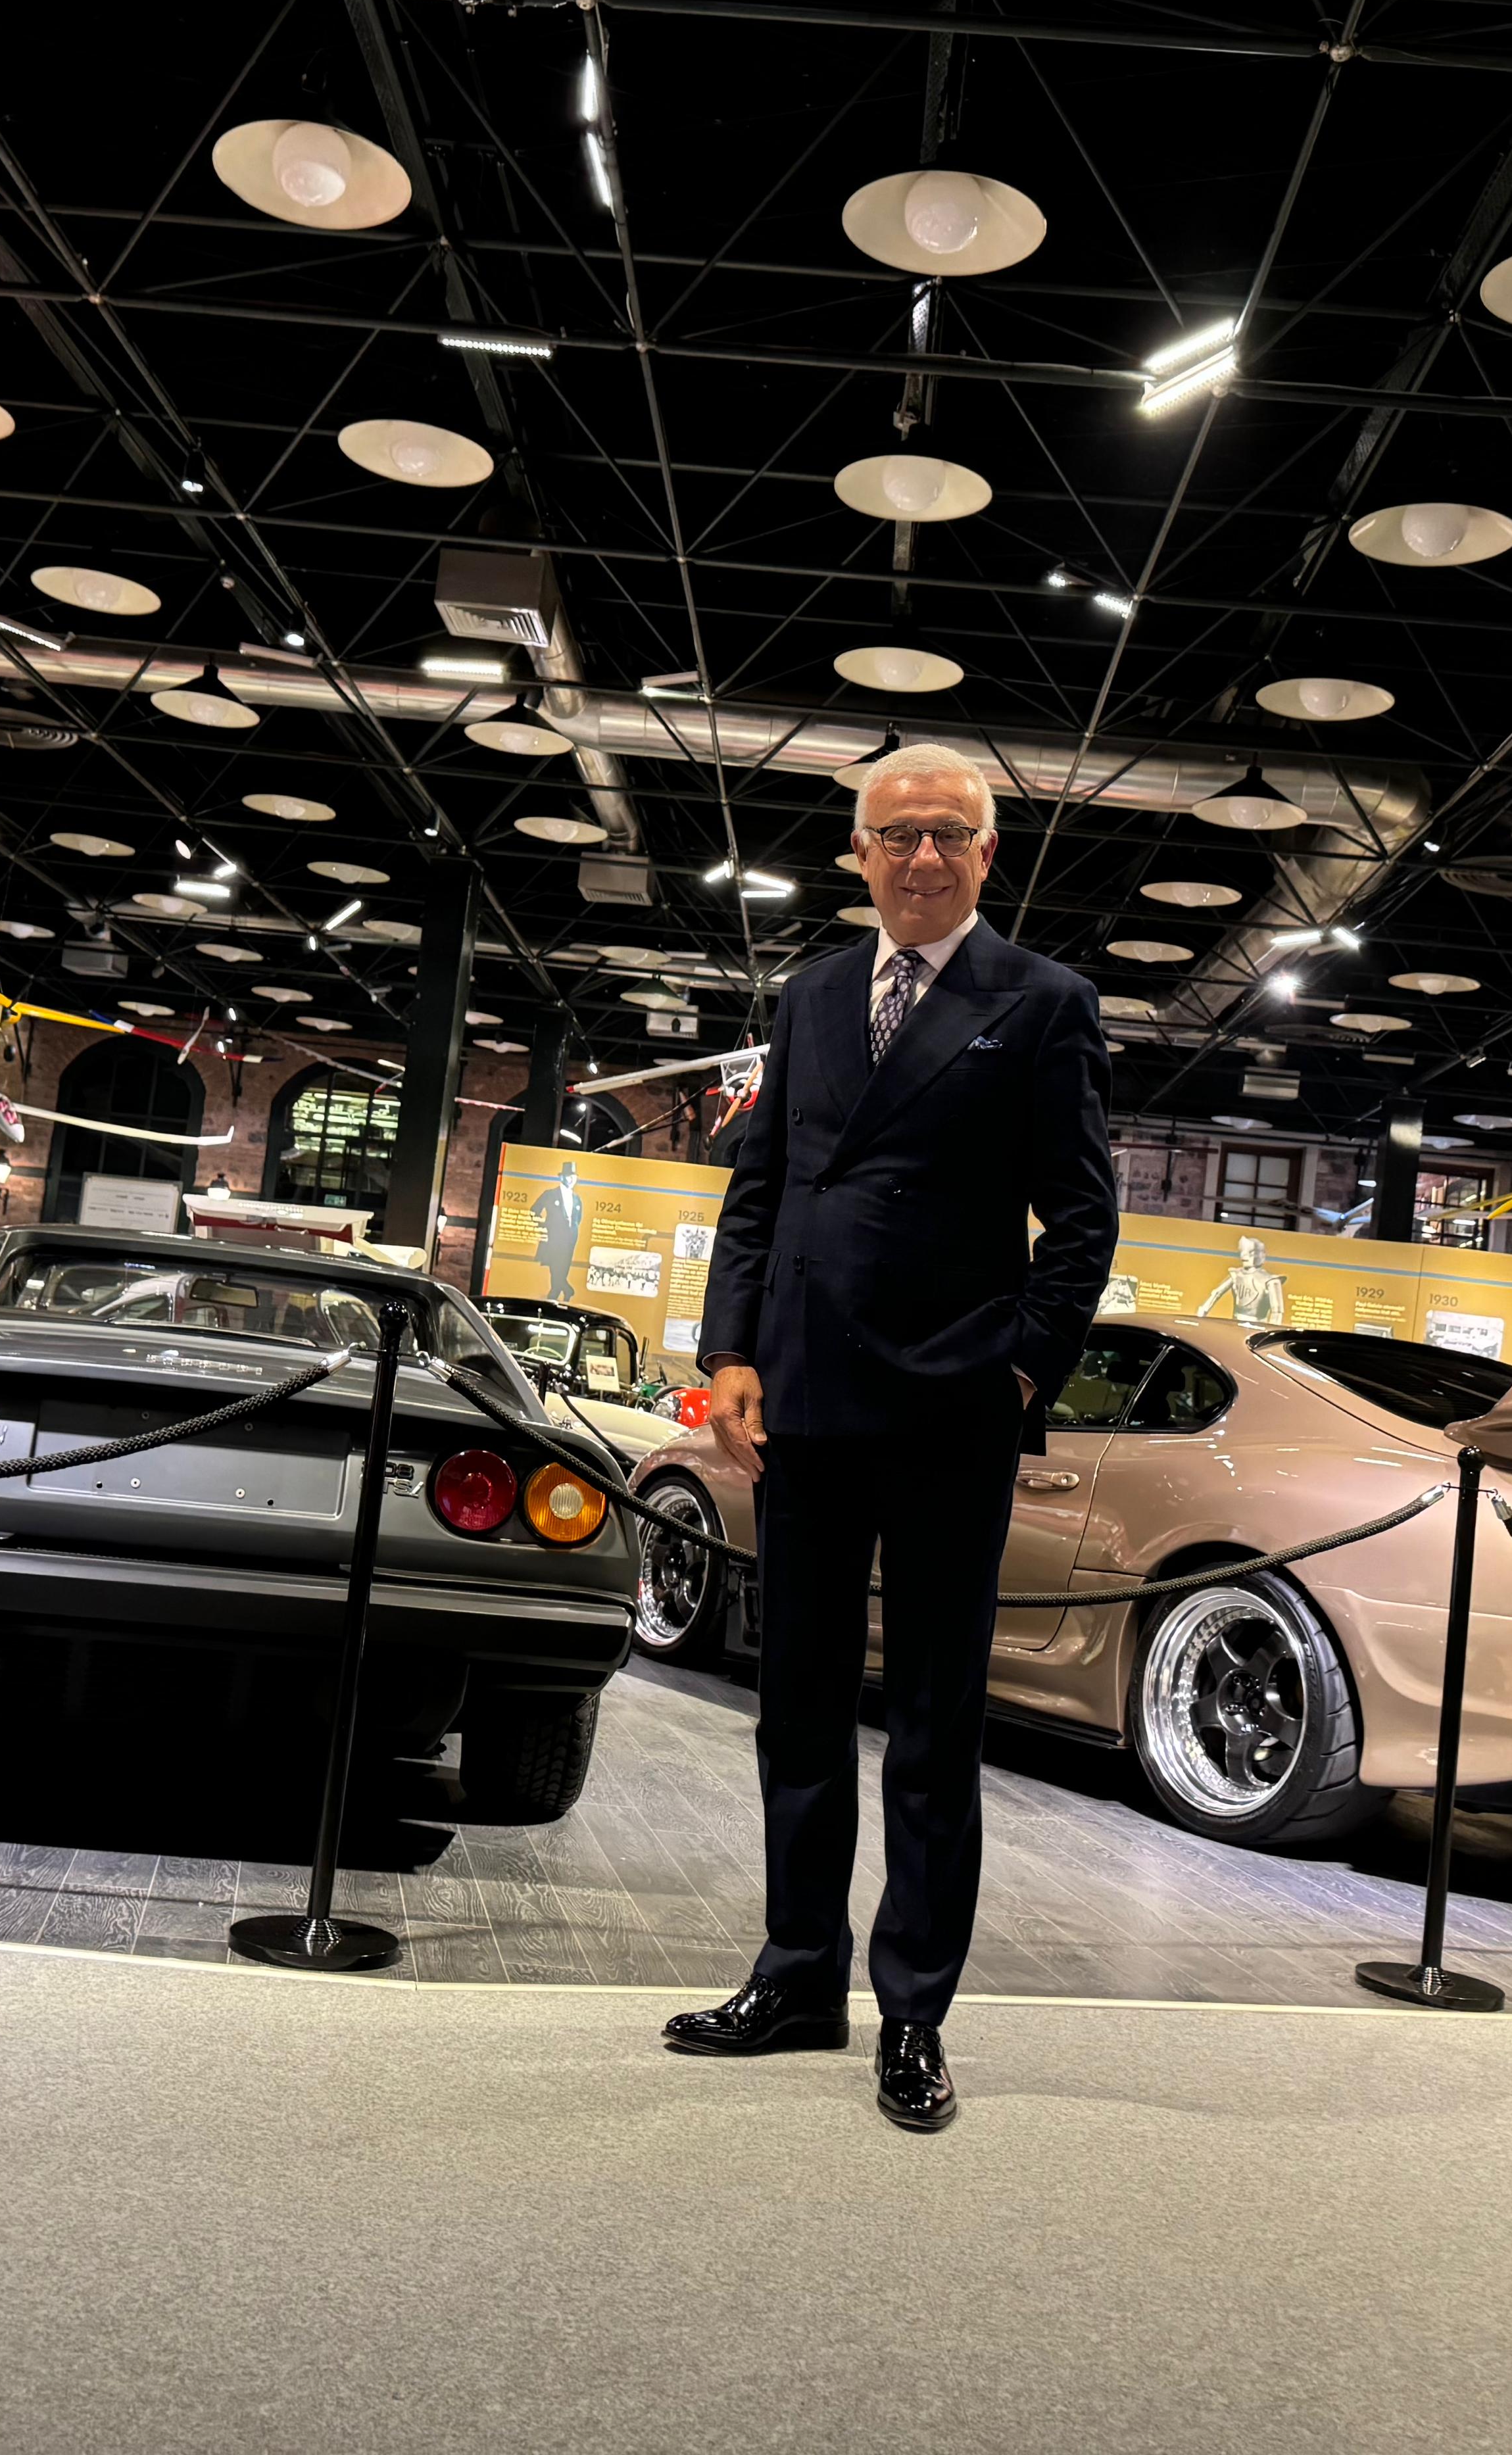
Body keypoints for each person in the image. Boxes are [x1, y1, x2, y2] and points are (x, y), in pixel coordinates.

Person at [660, 744, 1117, 2133]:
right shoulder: (809, 996)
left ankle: (914, 2010)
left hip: (947, 1410)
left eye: (948, 835)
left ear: (987, 856)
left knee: (929, 1725)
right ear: (857, 854)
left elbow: (1083, 1216)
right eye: (898, 834)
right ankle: (798, 1976)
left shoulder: (1042, 1001)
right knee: (795, 1709)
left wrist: (1019, 1370)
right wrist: (730, 1354)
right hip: (803, 1404)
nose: (922, 857)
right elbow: (759, 1191)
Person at [533, 1159, 584, 1304]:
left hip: (571, 1239)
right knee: (555, 1265)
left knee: (564, 1266)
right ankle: (560, 1291)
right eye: (568, 1176)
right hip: (554, 1237)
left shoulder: (577, 1199)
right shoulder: (550, 1194)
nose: (571, 1179)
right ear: (561, 1177)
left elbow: (578, 1219)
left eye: (574, 1177)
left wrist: (572, 1230)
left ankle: (561, 1291)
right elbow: (535, 1210)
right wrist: (544, 1226)